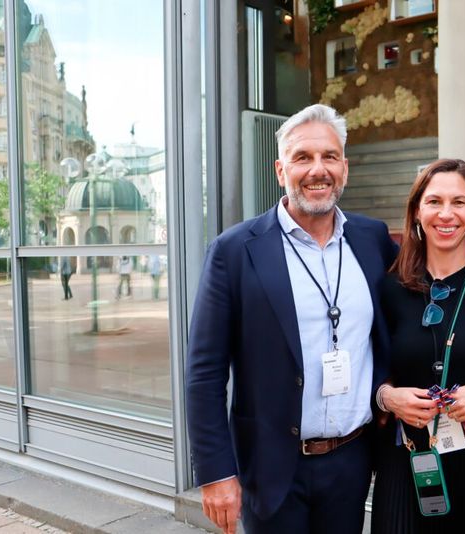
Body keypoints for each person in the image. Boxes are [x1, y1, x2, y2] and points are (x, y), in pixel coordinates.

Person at [185, 104, 398, 534]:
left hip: (353, 461)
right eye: (303, 157)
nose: (317, 169)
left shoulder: (373, 239)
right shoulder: (234, 251)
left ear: (345, 167)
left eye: (329, 156)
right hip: (272, 468)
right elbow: (204, 374)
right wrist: (215, 473)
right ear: (281, 170)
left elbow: (401, 326)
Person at [372, 159, 465, 533]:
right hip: (408, 454)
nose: (446, 214)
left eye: (459, 202)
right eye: (434, 201)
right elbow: (374, 367)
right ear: (416, 211)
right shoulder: (390, 286)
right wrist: (388, 398)